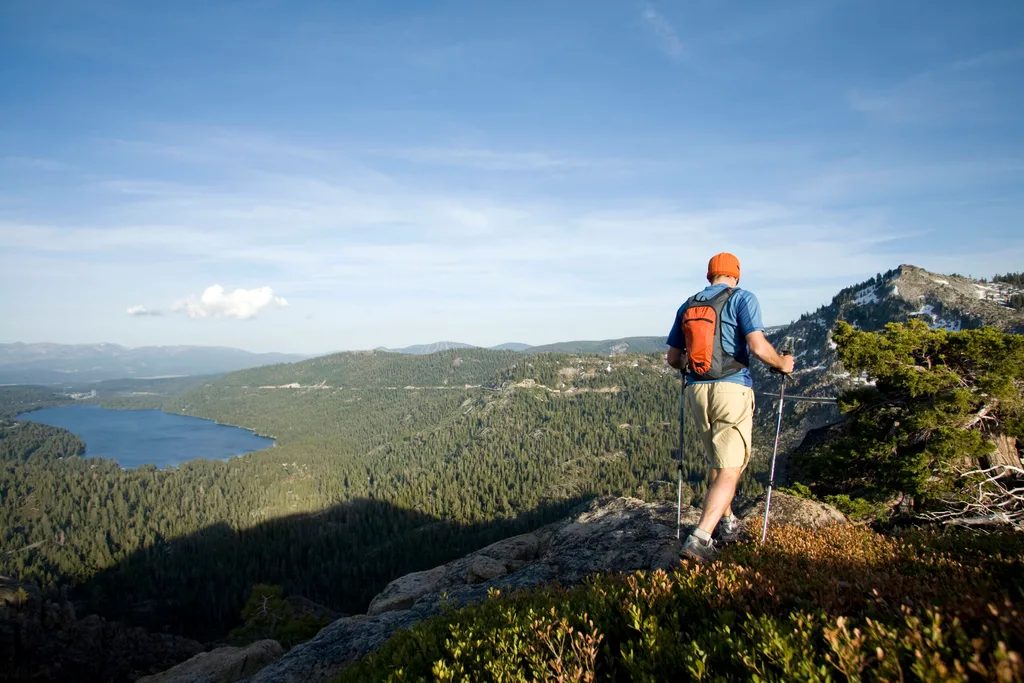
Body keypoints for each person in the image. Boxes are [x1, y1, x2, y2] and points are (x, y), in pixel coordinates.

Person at [666, 252, 795, 562]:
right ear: (735, 274)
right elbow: (757, 346)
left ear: (709, 275)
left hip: (697, 391)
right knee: (730, 467)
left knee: (717, 461)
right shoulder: (743, 298)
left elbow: (673, 358)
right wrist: (783, 364)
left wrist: (695, 368)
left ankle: (727, 523)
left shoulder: (688, 305)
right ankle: (701, 538)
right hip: (731, 388)